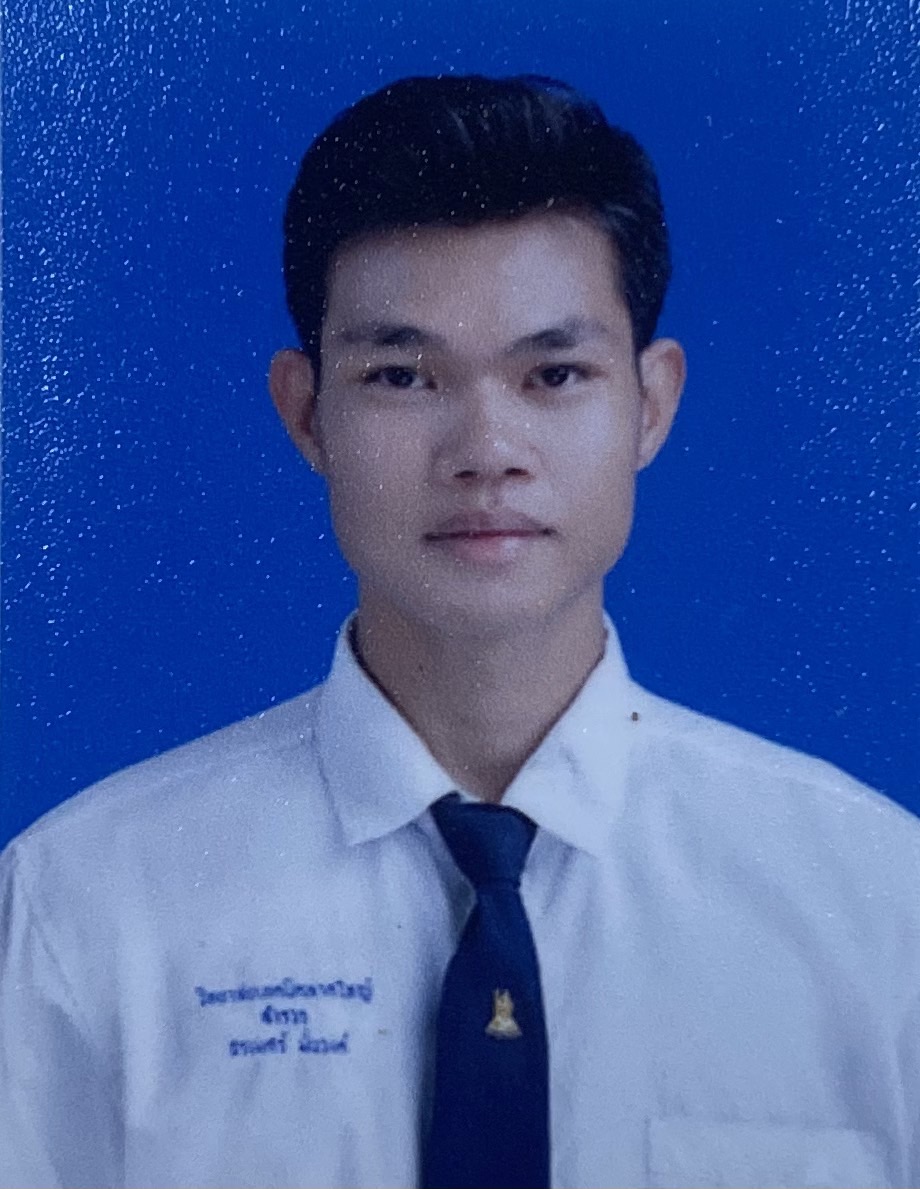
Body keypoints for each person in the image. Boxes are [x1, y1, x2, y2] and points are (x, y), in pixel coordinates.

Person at [0, 73, 917, 1189]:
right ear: (305, 412)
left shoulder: (877, 907)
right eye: (403, 375)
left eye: (553, 374)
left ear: (650, 403)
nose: (486, 450)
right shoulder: (86, 909)